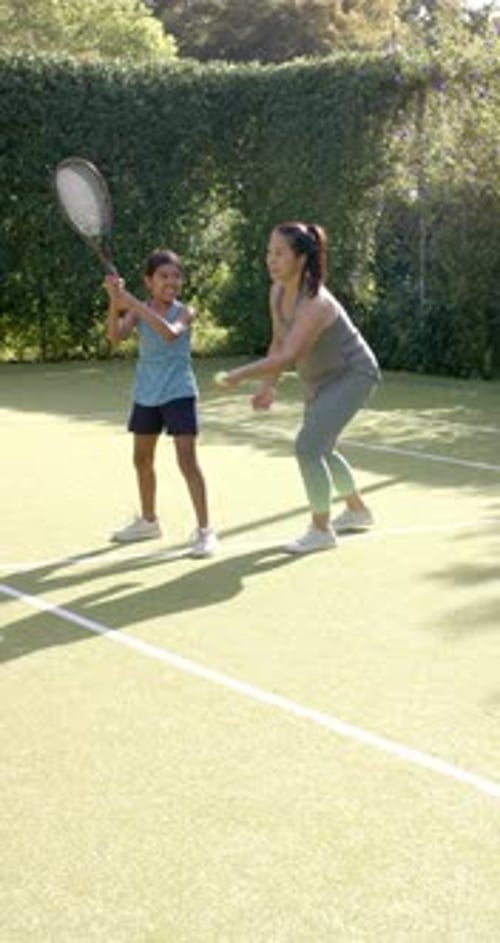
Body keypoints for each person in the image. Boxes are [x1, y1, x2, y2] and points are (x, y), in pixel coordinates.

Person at [216, 221, 380, 555]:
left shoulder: (316, 302)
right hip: (319, 378)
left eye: (279, 253)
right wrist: (267, 386)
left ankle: (321, 530)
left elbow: (292, 354)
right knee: (322, 448)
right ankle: (358, 511)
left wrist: (239, 375)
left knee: (308, 447)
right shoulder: (277, 292)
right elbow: (278, 343)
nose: (271, 260)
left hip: (353, 374)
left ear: (301, 258)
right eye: (269, 252)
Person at [104, 248, 217, 557]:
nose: (171, 281)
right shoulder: (138, 310)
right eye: (163, 276)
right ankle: (149, 521)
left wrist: (133, 303)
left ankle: (205, 531)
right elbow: (115, 338)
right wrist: (116, 303)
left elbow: (169, 333)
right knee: (141, 461)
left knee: (187, 461)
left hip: (179, 392)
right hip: (146, 394)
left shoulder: (186, 311)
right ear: (149, 281)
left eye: (176, 276)